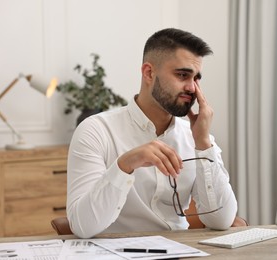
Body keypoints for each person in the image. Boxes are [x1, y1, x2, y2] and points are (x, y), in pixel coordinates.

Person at [66, 28, 238, 238]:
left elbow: (221, 221)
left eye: (196, 78)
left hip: (181, 252)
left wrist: (203, 143)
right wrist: (125, 165)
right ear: (149, 73)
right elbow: (83, 226)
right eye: (182, 75)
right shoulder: (96, 131)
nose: (192, 88)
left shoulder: (195, 137)